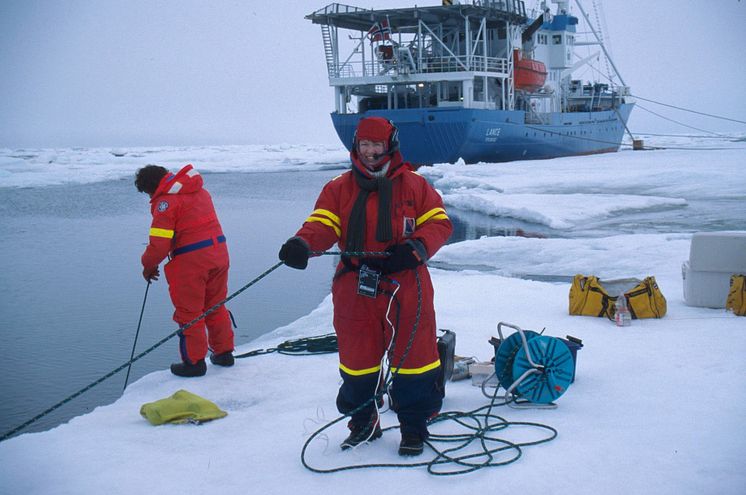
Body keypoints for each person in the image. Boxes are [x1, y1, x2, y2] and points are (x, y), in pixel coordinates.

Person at [278, 117, 453, 456]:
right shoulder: (338, 187)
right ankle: (363, 424)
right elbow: (323, 223)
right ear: (356, 146)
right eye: (364, 145)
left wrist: (414, 249)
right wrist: (302, 243)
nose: (370, 152)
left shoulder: (416, 185)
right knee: (358, 363)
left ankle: (413, 428)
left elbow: (439, 223)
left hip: (406, 283)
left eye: (377, 145)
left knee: (415, 361)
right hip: (356, 287)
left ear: (390, 145)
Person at [135, 164, 234, 377]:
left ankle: (194, 363)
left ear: (151, 188)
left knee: (190, 313)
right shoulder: (199, 191)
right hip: (219, 254)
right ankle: (224, 353)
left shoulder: (165, 203)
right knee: (216, 306)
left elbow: (160, 245)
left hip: (191, 262)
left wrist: (148, 265)